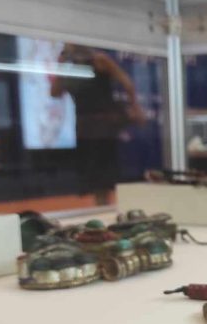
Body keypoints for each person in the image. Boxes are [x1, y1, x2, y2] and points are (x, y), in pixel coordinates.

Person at [50, 44, 144, 204]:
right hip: (84, 128)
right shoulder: (69, 68)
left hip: (103, 126)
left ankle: (103, 204)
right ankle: (100, 205)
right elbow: (54, 93)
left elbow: (127, 82)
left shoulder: (99, 60)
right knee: (91, 176)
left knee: (103, 176)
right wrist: (60, 66)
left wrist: (135, 108)